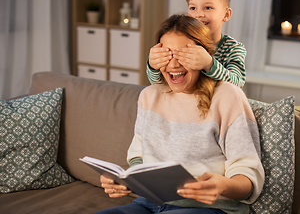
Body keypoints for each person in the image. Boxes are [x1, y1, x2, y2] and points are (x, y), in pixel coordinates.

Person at [96, 14, 264, 214]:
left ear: (203, 55)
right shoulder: (150, 96)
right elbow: (138, 158)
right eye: (166, 55)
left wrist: (223, 185)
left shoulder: (227, 96)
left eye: (183, 55)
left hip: (209, 208)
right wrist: (125, 182)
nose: (174, 65)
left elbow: (248, 176)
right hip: (148, 203)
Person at [147, 0, 247, 88]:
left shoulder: (233, 48)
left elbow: (237, 84)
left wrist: (209, 64)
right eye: (193, 8)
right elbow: (161, 86)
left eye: (208, 8)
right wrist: (153, 66)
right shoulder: (181, 43)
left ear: (226, 14)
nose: (198, 14)